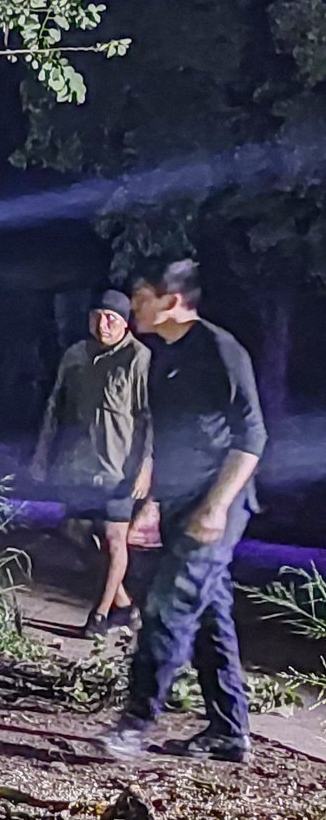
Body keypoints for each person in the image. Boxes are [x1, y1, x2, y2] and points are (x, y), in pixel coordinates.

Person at [101, 261, 267, 764]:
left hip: (218, 502)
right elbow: (168, 440)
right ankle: (229, 730)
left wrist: (216, 507)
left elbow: (252, 436)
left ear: (172, 300)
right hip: (178, 502)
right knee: (210, 615)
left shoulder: (220, 350)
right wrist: (151, 502)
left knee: (167, 608)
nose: (134, 306)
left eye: (142, 296)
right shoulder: (161, 356)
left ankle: (135, 723)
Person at [28, 289, 152, 637]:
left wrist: (145, 465)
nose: (103, 324)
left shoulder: (138, 358)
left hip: (119, 467)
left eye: (111, 318)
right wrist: (42, 453)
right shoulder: (76, 356)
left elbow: (147, 417)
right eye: (97, 316)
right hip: (80, 464)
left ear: (125, 323)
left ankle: (99, 616)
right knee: (76, 531)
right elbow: (55, 406)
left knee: (115, 539)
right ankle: (125, 606)